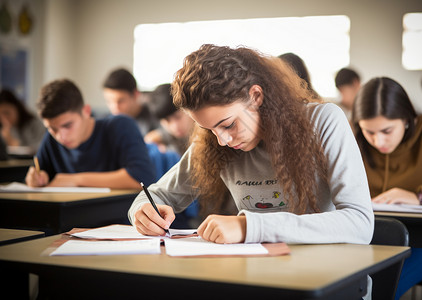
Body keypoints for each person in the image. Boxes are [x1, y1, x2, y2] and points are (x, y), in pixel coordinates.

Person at [129, 44, 373, 262]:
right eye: (209, 129)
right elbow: (156, 196)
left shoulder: (323, 121)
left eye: (228, 124)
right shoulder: (214, 145)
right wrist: (142, 212)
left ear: (255, 96)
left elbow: (360, 223)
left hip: (326, 275)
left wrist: (250, 227)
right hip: (256, 276)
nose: (222, 140)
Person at [352, 76, 422, 299]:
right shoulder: (354, 139)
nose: (378, 142)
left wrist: (421, 197)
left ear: (406, 119)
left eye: (387, 131)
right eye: (369, 132)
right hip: (365, 240)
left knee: (377, 289)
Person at [25, 79, 156, 188]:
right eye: (52, 128)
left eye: (68, 125)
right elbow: (38, 172)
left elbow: (143, 177)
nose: (60, 136)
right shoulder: (51, 139)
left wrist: (76, 180)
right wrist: (37, 178)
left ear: (86, 111)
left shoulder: (120, 126)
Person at [102, 68, 160, 136]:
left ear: (135, 95)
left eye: (120, 101)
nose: (114, 108)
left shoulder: (155, 122)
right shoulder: (105, 123)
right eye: (109, 101)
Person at [145, 83, 194, 155]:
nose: (175, 126)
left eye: (178, 117)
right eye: (167, 121)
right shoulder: (165, 136)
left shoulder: (209, 128)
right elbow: (150, 139)